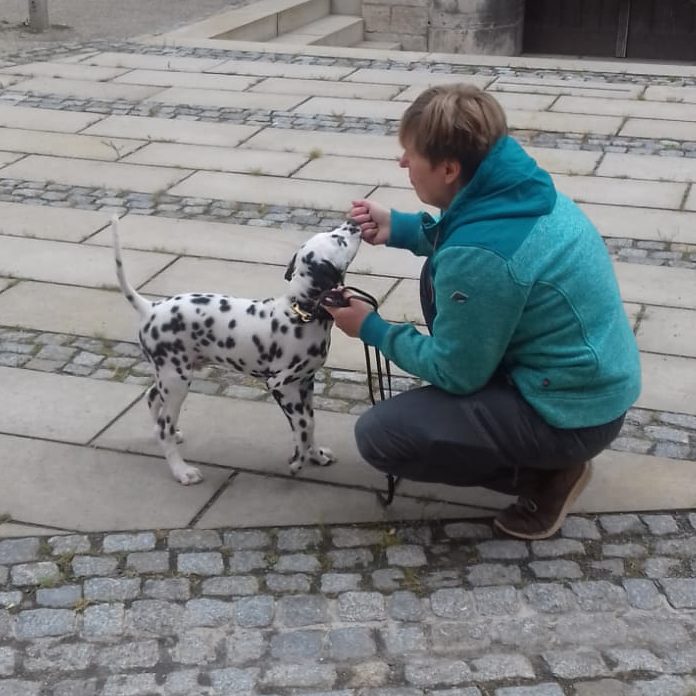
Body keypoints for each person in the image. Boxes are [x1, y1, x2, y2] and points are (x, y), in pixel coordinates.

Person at [322, 84, 641, 540]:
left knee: (383, 435)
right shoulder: (517, 188)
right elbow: (477, 237)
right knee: (441, 274)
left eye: (410, 153)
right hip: (590, 387)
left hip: (570, 413)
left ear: (449, 168)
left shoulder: (480, 256)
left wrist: (372, 328)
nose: (403, 163)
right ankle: (541, 449)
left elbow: (457, 372)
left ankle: (548, 478)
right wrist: (403, 228)